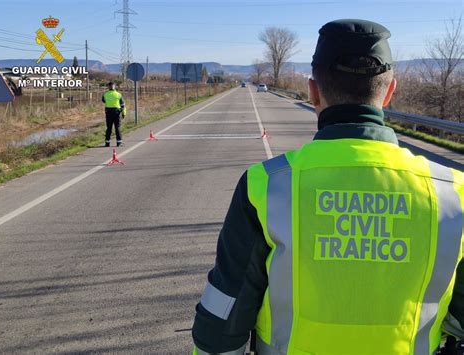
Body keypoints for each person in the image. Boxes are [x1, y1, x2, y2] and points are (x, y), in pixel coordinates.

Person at [192, 19, 464, 355]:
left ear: (313, 91)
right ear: (390, 92)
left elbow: (225, 314)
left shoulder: (266, 185)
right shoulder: (453, 191)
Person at [102, 81, 126, 147]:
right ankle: (119, 142)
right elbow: (123, 105)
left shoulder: (105, 94)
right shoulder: (118, 94)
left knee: (109, 128)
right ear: (114, 86)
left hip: (108, 112)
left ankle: (107, 143)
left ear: (108, 87)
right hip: (117, 112)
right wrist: (124, 113)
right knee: (117, 128)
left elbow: (103, 101)